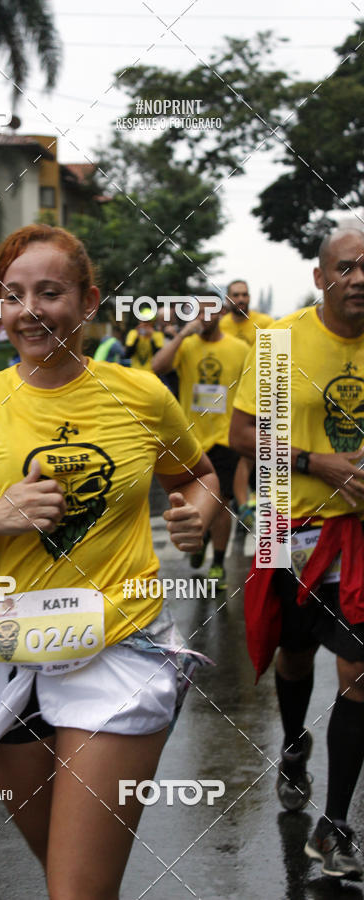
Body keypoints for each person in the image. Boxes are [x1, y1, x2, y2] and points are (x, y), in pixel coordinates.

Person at [0, 224, 220, 898]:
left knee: (75, 890)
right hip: (5, 649)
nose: (28, 310)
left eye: (49, 292)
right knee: (64, 871)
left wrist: (200, 509)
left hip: (116, 646)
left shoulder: (140, 394)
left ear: (88, 302)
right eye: (12, 295)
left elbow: (197, 473)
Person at [230, 227, 364, 880]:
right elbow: (243, 432)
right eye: (347, 268)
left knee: (360, 674)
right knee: (295, 651)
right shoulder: (282, 342)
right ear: (321, 278)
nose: (359, 278)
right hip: (293, 529)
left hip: (358, 538)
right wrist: (320, 462)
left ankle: (334, 827)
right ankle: (291, 747)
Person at [152, 299, 248, 589]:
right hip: (192, 438)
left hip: (225, 437)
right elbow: (158, 366)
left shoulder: (240, 349)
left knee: (222, 503)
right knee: (197, 499)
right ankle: (201, 539)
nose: (204, 317)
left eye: (209, 310)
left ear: (221, 313)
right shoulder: (187, 345)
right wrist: (182, 334)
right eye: (197, 311)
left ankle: (218, 563)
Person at [221, 281, 274, 531]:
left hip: (262, 396)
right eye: (236, 295)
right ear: (228, 299)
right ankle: (244, 505)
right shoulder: (221, 326)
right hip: (230, 401)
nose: (241, 299)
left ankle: (250, 506)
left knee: (255, 453)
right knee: (239, 455)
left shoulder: (266, 323)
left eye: (244, 295)